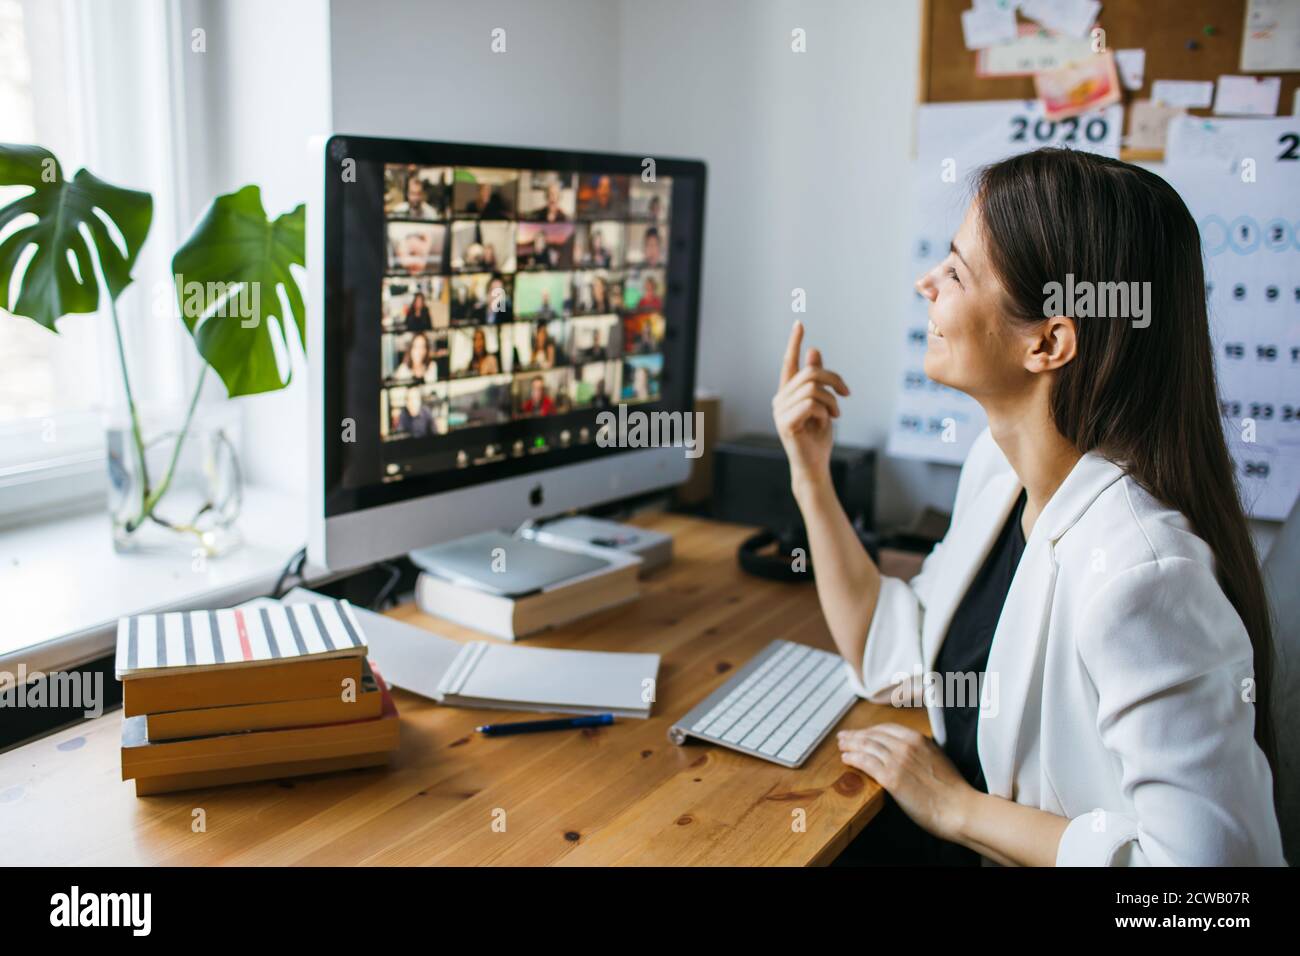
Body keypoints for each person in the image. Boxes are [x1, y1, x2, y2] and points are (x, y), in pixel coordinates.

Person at [772, 148, 1284, 866]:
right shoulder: (999, 470)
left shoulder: (1142, 574)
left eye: (955, 271)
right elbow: (900, 654)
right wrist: (810, 477)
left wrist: (957, 808)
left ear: (1047, 341)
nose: (927, 283)